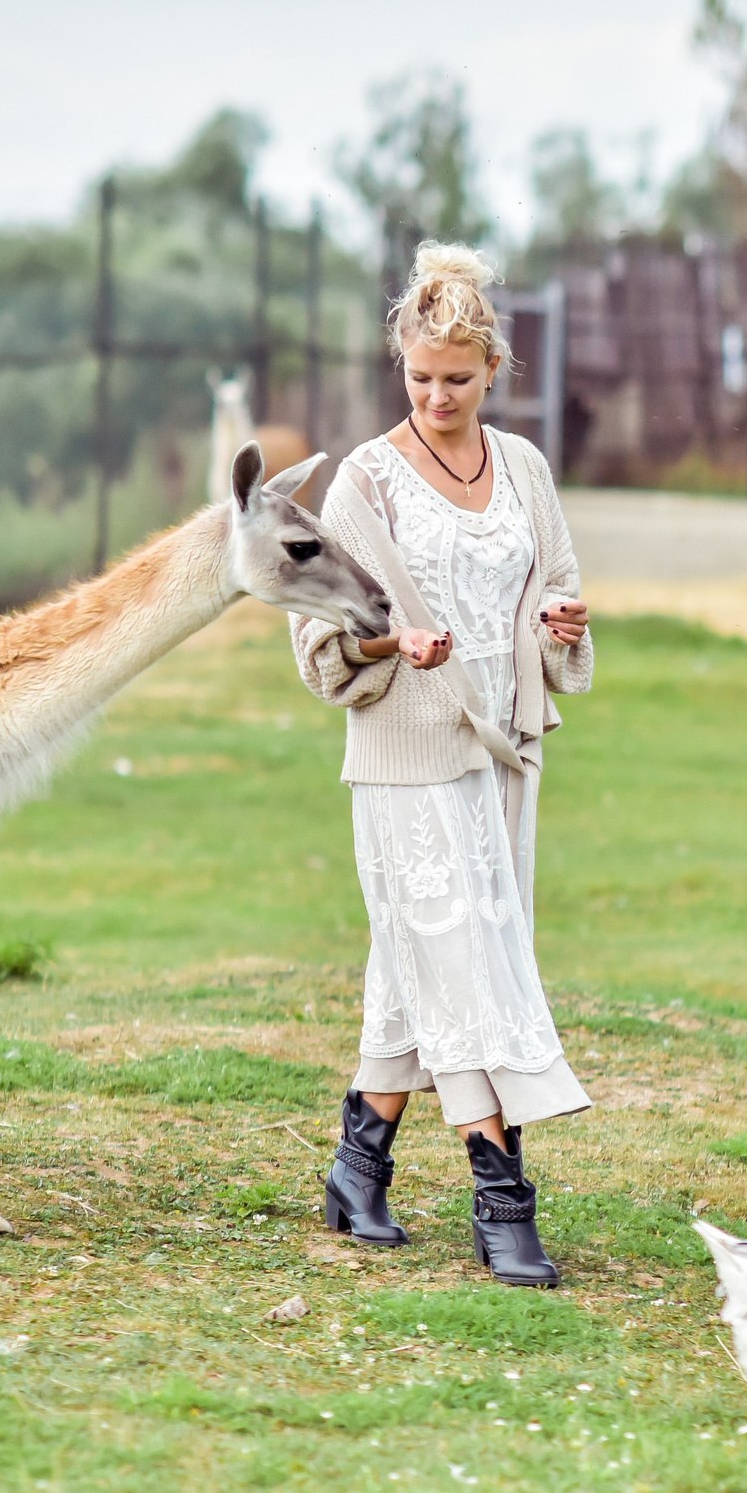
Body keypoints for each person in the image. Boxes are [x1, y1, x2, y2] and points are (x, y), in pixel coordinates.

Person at [289, 243, 595, 1287]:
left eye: (457, 378)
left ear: (492, 368)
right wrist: (389, 642)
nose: (436, 397)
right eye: (420, 378)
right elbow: (320, 641)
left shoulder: (524, 469)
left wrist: (559, 623)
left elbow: (555, 585)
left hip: (501, 751)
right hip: (405, 758)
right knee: (463, 962)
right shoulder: (362, 485)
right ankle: (501, 1195)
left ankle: (357, 1167)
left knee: (431, 961)